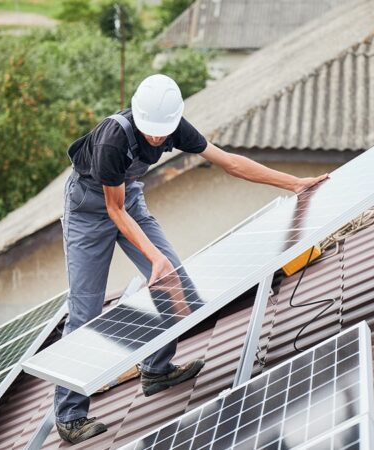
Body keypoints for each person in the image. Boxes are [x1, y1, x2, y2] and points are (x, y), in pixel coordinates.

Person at [55, 74, 328, 444]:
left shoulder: (175, 127)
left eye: (161, 133)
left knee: (175, 281)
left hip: (127, 199)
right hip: (89, 211)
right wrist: (153, 258)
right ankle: (69, 416)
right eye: (150, 132)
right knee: (85, 311)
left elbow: (229, 162)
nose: (156, 139)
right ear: (138, 116)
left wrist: (293, 183)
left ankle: (156, 369)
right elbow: (113, 210)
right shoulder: (112, 139)